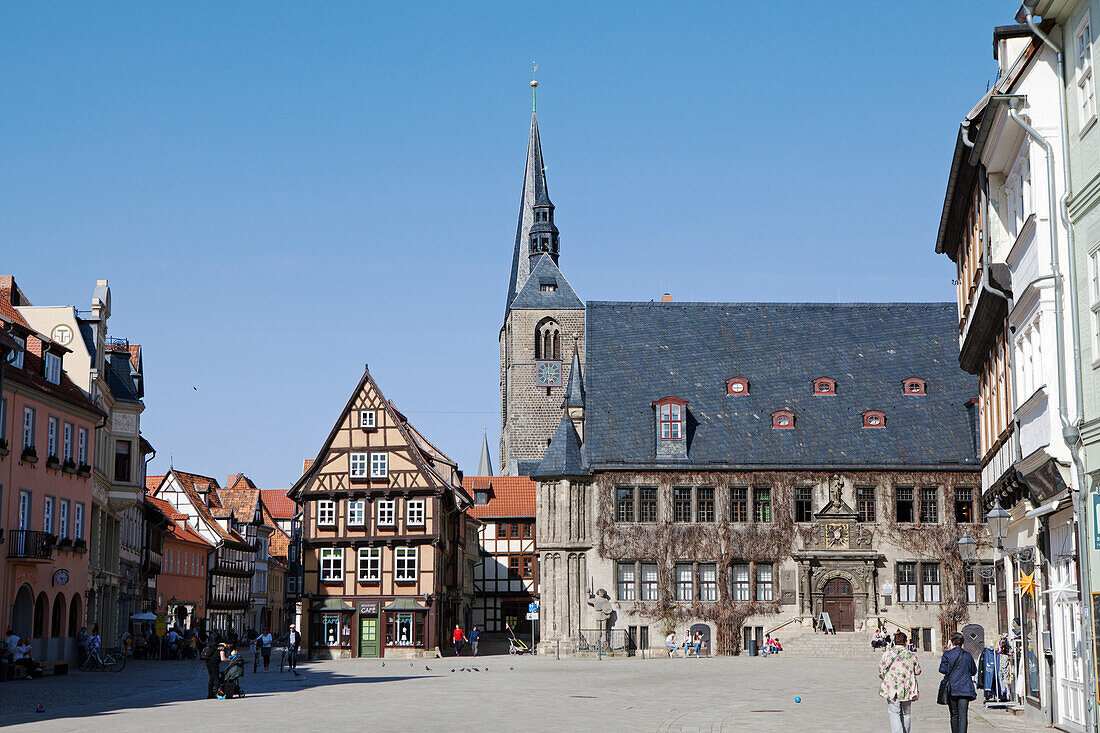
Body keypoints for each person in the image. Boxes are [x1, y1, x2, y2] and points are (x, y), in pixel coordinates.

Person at [880, 631, 921, 733]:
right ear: (905, 642)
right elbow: (918, 670)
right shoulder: (911, 655)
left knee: (894, 713)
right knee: (906, 713)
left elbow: (881, 671)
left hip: (892, 688)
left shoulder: (887, 654)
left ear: (894, 642)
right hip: (907, 687)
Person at [940, 631, 977, 733]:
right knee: (963, 715)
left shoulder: (947, 654)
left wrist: (948, 650)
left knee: (954, 714)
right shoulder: (967, 655)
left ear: (951, 642)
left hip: (952, 688)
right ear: (962, 642)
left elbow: (942, 669)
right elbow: (974, 671)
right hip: (965, 688)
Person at [201, 633, 225, 699]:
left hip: (208, 662)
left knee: (212, 678)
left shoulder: (212, 645)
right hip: (214, 663)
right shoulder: (219, 647)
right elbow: (222, 658)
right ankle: (219, 695)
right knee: (216, 679)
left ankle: (210, 694)